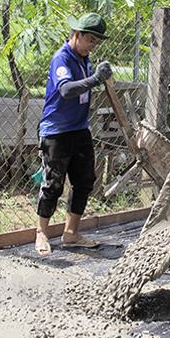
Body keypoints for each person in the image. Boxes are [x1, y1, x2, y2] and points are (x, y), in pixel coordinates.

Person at [35, 13, 113, 255]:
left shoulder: (84, 59)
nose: (92, 46)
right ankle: (41, 234)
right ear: (76, 35)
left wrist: (96, 77)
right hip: (57, 132)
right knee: (53, 185)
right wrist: (94, 80)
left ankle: (71, 234)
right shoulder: (62, 58)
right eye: (90, 40)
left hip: (80, 130)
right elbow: (67, 90)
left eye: (96, 43)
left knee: (84, 182)